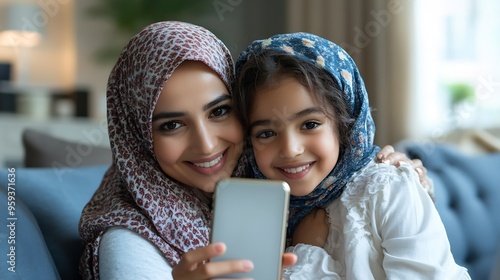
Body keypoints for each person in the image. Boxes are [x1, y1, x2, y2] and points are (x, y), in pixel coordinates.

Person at [78, 21, 432, 279]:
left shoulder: (269, 183)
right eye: (171, 125)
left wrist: (393, 178)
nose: (206, 144)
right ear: (137, 137)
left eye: (219, 111)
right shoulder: (129, 240)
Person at [233, 32, 469, 279]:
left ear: (345, 124)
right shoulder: (255, 212)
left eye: (310, 124)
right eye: (266, 133)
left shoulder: (387, 189)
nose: (291, 149)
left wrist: (308, 254)